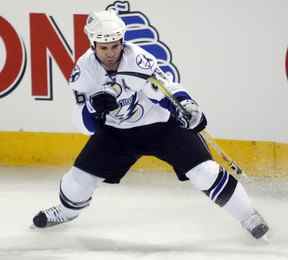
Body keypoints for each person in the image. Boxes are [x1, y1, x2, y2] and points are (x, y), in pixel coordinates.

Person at [32, 9, 269, 240]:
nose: (110, 53)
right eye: (103, 48)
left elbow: (166, 90)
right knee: (77, 183)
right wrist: (94, 109)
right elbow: (85, 125)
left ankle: (248, 215)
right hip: (116, 134)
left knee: (205, 172)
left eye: (115, 46)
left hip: (161, 128)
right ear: (93, 44)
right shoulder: (83, 73)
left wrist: (187, 106)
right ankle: (66, 211)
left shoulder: (139, 60)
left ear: (122, 41)